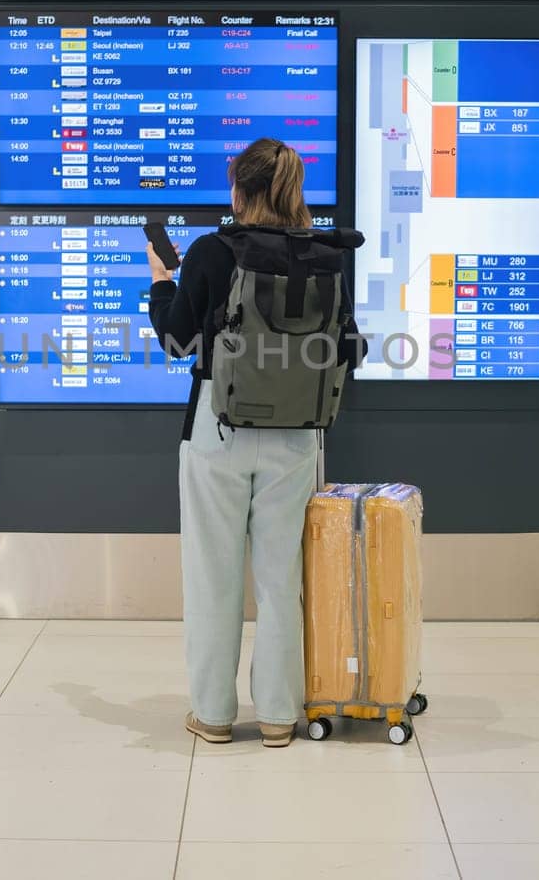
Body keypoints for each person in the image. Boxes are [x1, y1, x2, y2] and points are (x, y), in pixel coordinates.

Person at [146, 137, 363, 748]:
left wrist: (162, 283)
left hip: (218, 432)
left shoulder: (214, 251)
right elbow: (351, 348)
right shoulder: (328, 254)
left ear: (239, 190)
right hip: (297, 439)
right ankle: (277, 714)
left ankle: (213, 714)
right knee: (280, 581)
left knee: (213, 579)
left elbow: (176, 341)